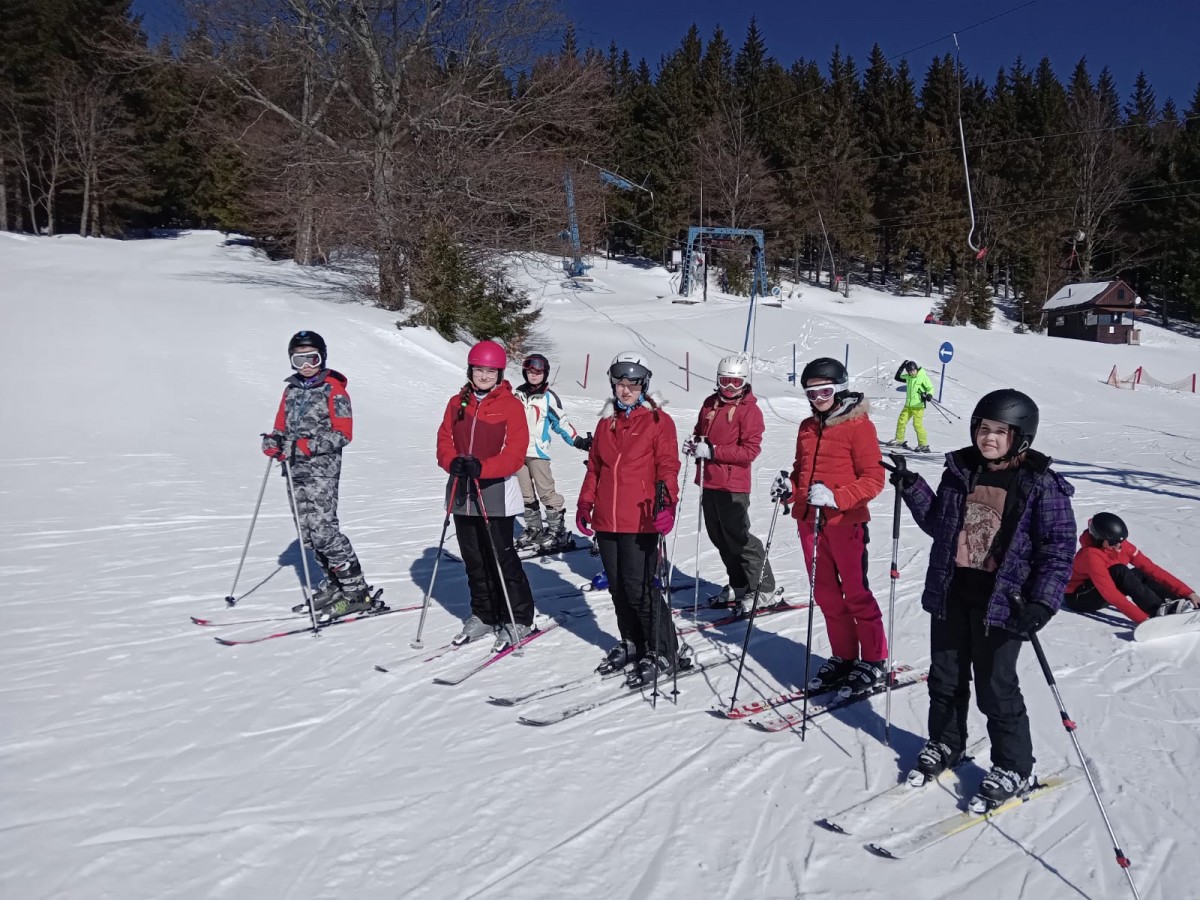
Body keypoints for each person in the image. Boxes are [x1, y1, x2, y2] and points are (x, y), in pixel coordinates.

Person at [886, 389, 1076, 810]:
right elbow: (940, 523)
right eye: (983, 428)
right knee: (945, 678)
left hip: (1004, 605)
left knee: (996, 688)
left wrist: (1042, 602)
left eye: (1000, 432)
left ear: (1020, 437)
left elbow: (1058, 549)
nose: (988, 438)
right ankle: (946, 741)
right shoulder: (961, 470)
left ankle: (1013, 765)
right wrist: (913, 487)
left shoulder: (1041, 484)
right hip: (952, 593)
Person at [771, 357, 887, 696]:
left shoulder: (859, 425)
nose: (818, 398)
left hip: (845, 522)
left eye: (824, 391)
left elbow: (874, 478)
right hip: (809, 522)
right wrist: (791, 489)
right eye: (811, 392)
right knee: (825, 594)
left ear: (840, 389)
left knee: (856, 593)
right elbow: (801, 471)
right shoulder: (807, 427)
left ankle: (874, 659)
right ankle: (845, 656)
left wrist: (838, 497)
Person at [576, 352, 684, 686]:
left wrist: (667, 505)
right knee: (619, 588)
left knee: (640, 589)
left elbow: (668, 467)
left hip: (641, 517)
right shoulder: (605, 423)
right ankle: (633, 641)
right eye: (620, 384)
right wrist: (585, 503)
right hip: (607, 519)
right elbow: (595, 468)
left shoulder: (658, 421)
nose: (625, 391)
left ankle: (664, 649)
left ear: (644, 386)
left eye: (633, 385)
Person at [262, 331, 373, 621]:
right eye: (299, 360)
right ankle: (335, 585)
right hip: (293, 470)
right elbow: (280, 426)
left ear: (322, 358)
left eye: (312, 358)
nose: (307, 366)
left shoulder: (333, 390)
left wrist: (301, 446)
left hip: (322, 471)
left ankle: (356, 591)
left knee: (324, 532)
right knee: (308, 534)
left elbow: (343, 434)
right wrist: (273, 441)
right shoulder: (291, 390)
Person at [435, 340, 536, 651]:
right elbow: (444, 439)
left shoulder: (510, 406)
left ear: (500, 374)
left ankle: (519, 617)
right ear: (470, 370)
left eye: (490, 372)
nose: (484, 376)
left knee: (501, 556)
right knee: (473, 558)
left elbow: (515, 453)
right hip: (462, 488)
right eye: (479, 370)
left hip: (496, 490)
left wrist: (484, 467)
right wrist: (451, 462)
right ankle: (484, 614)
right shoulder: (457, 403)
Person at [684, 354, 779, 616]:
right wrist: (694, 444)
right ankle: (739, 584)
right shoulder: (710, 403)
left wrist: (713, 451)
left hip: (733, 485)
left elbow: (750, 451)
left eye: (735, 383)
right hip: (710, 481)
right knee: (719, 536)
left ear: (744, 382)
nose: (729, 388)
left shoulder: (750, 411)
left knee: (739, 537)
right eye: (725, 381)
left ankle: (764, 588)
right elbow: (700, 432)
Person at [513, 353, 590, 553]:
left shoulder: (548, 397)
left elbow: (561, 423)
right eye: (530, 371)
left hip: (538, 453)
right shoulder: (516, 395)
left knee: (546, 493)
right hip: (516, 453)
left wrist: (578, 441)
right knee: (526, 493)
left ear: (545, 374)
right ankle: (534, 529)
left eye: (538, 372)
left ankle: (558, 532)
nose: (534, 375)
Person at [1064, 512, 1199, 622]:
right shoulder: (1090, 555)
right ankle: (1157, 610)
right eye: (1112, 542)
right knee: (1120, 571)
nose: (1118, 546)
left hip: (1100, 590)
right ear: (1099, 539)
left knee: (1141, 573)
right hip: (1079, 598)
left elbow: (1153, 570)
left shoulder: (1122, 546)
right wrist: (1142, 619)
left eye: (1121, 541)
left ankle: (1179, 603)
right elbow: (1109, 592)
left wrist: (1188, 593)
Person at [888, 359, 934, 452]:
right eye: (910, 371)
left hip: (918, 406)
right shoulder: (908, 377)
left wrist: (929, 395)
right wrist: (901, 367)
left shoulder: (922, 377)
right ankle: (899, 440)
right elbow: (897, 377)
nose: (912, 373)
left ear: (916, 369)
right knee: (901, 421)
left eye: (913, 370)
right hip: (908, 405)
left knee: (917, 425)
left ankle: (923, 445)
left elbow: (930, 387)